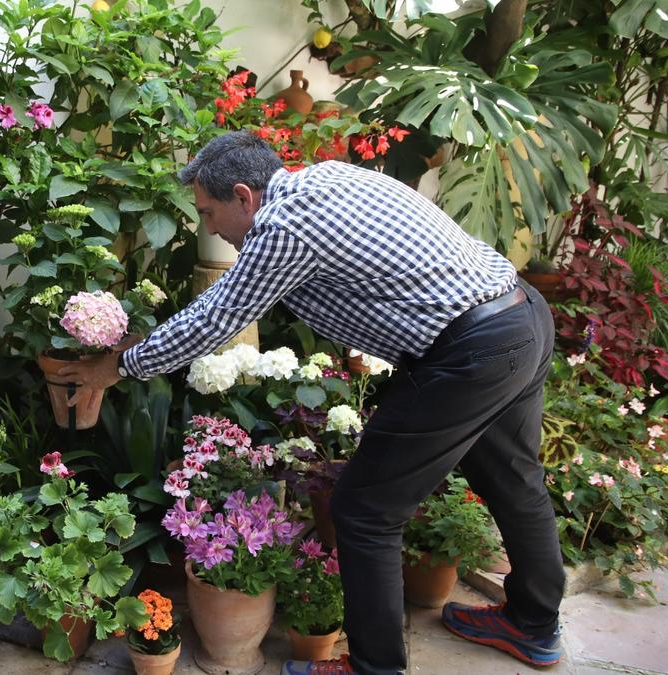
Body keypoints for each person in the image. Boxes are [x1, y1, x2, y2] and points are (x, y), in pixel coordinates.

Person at [58, 131, 563, 675]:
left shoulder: (282, 228)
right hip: (520, 317)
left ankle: (375, 669)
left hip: (470, 353)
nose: (207, 227)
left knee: (364, 510)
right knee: (514, 479)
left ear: (244, 196)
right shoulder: (324, 177)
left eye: (208, 212)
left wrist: (112, 368)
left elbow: (212, 321)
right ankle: (534, 626)